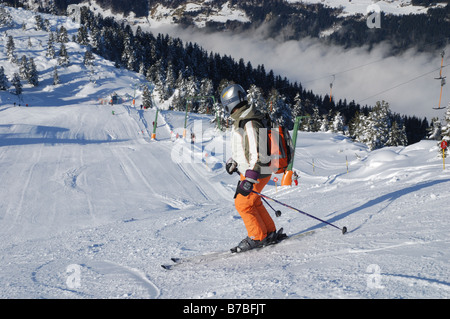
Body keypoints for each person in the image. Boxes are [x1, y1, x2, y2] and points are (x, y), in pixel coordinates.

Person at [221, 84, 286, 252]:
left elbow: (258, 152)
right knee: (254, 202)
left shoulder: (249, 122)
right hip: (254, 171)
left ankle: (257, 237)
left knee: (242, 204)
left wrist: (250, 177)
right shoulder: (244, 119)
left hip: (256, 172)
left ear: (229, 104)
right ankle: (268, 231)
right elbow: (245, 148)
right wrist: (233, 162)